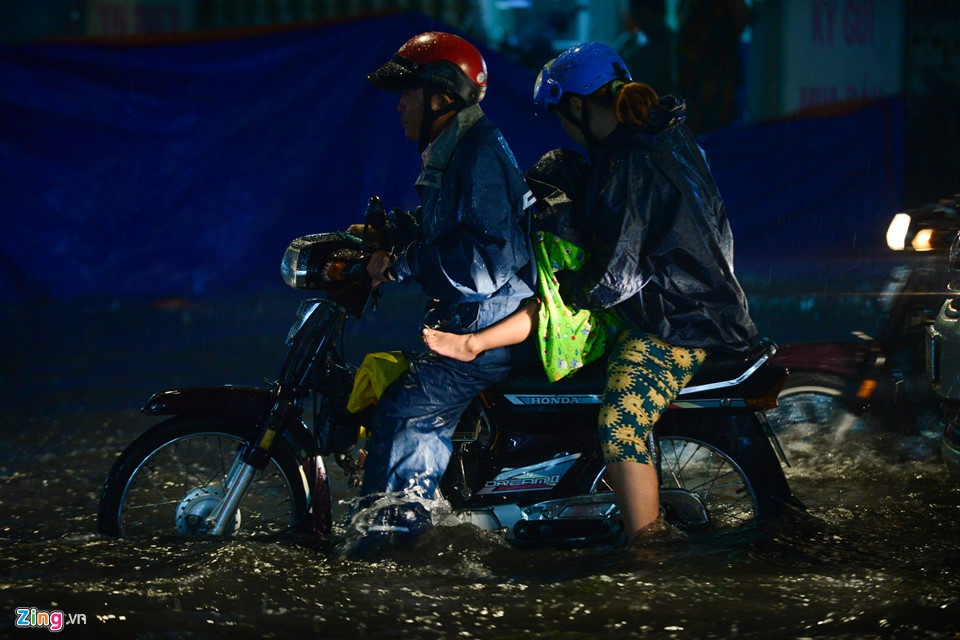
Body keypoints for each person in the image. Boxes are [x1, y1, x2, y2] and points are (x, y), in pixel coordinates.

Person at [425, 42, 758, 544]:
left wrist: (567, 287)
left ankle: (647, 549)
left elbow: (616, 278)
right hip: (696, 303)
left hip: (683, 325)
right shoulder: (664, 136)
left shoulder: (630, 163)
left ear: (579, 106)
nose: (561, 126)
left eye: (561, 114)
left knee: (621, 423)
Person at [349, 32, 538, 541]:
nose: (400, 107)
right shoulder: (455, 149)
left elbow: (484, 263)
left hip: (488, 329)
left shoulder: (476, 156)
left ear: (442, 96)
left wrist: (402, 263)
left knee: (407, 411)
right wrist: (395, 233)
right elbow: (450, 229)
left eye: (408, 94)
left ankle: (389, 542)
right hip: (466, 319)